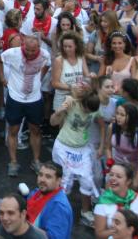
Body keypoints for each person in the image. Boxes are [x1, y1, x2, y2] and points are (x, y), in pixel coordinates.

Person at [48, 82, 100, 225]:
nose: (88, 113)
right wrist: (60, 110)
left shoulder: (94, 106)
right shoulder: (71, 103)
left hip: (82, 149)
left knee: (87, 180)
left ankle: (86, 211)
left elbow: (102, 121)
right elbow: (52, 122)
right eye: (86, 109)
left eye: (91, 111)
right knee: (65, 182)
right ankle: (57, 211)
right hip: (64, 147)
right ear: (83, 102)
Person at [0, 33, 50, 176]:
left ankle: (36, 160)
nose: (30, 53)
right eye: (27, 49)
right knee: (13, 130)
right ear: (23, 45)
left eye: (33, 50)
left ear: (39, 47)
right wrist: (2, 78)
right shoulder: (13, 53)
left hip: (34, 99)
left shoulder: (44, 55)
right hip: (15, 98)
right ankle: (13, 162)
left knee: (35, 130)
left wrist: (40, 78)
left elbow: (48, 65)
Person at [93, 163, 138, 239]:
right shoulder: (102, 203)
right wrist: (120, 230)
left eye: (118, 176)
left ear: (128, 181)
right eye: (111, 175)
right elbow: (99, 234)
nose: (113, 178)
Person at [24, 162, 73, 239]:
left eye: (48, 177)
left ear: (58, 181)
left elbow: (54, 237)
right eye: (40, 175)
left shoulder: (59, 207)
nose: (42, 179)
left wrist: (23, 227)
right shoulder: (37, 192)